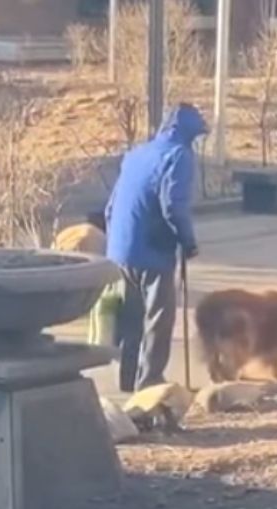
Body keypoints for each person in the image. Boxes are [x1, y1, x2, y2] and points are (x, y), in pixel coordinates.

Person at [105, 103, 206, 393]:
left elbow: (111, 207)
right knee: (158, 320)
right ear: (189, 134)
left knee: (131, 317)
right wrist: (188, 242)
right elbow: (173, 205)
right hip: (153, 250)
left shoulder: (136, 154)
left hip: (121, 249)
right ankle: (150, 383)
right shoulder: (179, 156)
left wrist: (115, 244)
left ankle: (127, 380)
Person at [51, 211, 122, 347]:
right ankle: (99, 338)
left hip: (67, 249)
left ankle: (95, 334)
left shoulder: (84, 234)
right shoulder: (98, 239)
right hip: (84, 249)